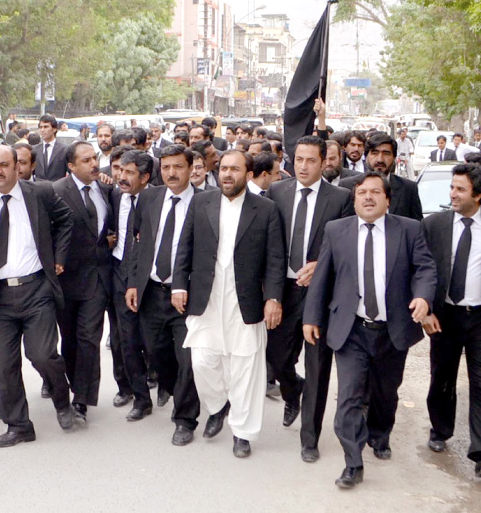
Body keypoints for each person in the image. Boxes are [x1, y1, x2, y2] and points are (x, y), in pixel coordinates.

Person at [303, 171, 437, 489]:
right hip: (351, 329)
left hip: (392, 329)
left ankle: (379, 434)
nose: (367, 197)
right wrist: (311, 317)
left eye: (375, 192)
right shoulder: (337, 230)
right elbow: (322, 278)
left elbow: (425, 268)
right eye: (361, 192)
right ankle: (353, 462)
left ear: (387, 200)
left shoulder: (409, 229)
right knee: (348, 396)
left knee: (385, 393)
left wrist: (422, 297)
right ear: (355, 198)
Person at [172, 149, 285, 458]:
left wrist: (273, 298)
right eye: (223, 169)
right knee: (203, 360)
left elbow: (276, 259)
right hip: (207, 294)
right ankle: (219, 406)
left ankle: (242, 432)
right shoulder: (201, 202)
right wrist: (179, 285)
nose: (227, 174)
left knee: (245, 365)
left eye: (235, 169)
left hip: (245, 297)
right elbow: (185, 247)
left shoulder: (265, 209)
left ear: (248, 175)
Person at [0, 145, 75, 446]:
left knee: (41, 354)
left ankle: (62, 399)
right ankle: (19, 426)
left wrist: (58, 257)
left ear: (17, 167)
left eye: (4, 165)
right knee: (3, 365)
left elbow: (66, 221)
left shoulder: (40, 193)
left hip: (36, 289)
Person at [265, 136, 353, 462]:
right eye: (298, 159)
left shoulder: (341, 198)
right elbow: (270, 245)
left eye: (310, 160)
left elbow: (347, 246)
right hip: (284, 291)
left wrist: (322, 264)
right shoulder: (277, 192)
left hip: (320, 296)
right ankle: (292, 392)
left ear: (323, 162)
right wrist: (270, 294)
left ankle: (310, 438)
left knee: (317, 367)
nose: (303, 166)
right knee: (276, 358)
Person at [125, 145, 201, 446]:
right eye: (166, 167)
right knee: (155, 352)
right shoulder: (148, 198)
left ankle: (185, 419)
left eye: (178, 167)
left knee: (188, 360)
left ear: (191, 168)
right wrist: (133, 282)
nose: (171, 172)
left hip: (188, 296)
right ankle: (170, 386)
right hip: (152, 291)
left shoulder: (205, 202)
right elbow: (139, 244)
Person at [422, 164, 481, 478]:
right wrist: (427, 310)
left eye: (460, 189)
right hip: (444, 315)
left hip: (479, 316)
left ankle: (480, 450)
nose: (453, 194)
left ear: (478, 195)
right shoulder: (435, 225)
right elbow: (424, 270)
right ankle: (440, 429)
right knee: (442, 375)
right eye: (452, 187)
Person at [52, 142, 113, 423]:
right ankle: (70, 384)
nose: (93, 164)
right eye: (86, 160)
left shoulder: (106, 189)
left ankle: (82, 399)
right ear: (71, 166)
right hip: (67, 279)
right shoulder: (55, 192)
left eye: (95, 158)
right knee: (70, 339)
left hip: (98, 277)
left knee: (90, 337)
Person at [110, 150, 154, 420]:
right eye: (120, 171)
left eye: (129, 173)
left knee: (153, 340)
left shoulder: (156, 199)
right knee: (125, 340)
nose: (121, 177)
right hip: (118, 272)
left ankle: (166, 383)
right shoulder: (114, 195)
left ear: (145, 177)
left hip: (149, 279)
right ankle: (139, 396)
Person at [341, 133, 423, 221]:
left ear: (394, 157)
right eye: (374, 153)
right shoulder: (347, 186)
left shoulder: (408, 188)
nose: (380, 159)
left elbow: (417, 226)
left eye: (386, 153)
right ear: (366, 156)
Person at [34, 114, 68, 181]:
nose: (42, 130)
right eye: (41, 127)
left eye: (46, 127)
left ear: (54, 129)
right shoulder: (34, 150)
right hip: (38, 189)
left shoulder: (64, 150)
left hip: (57, 189)